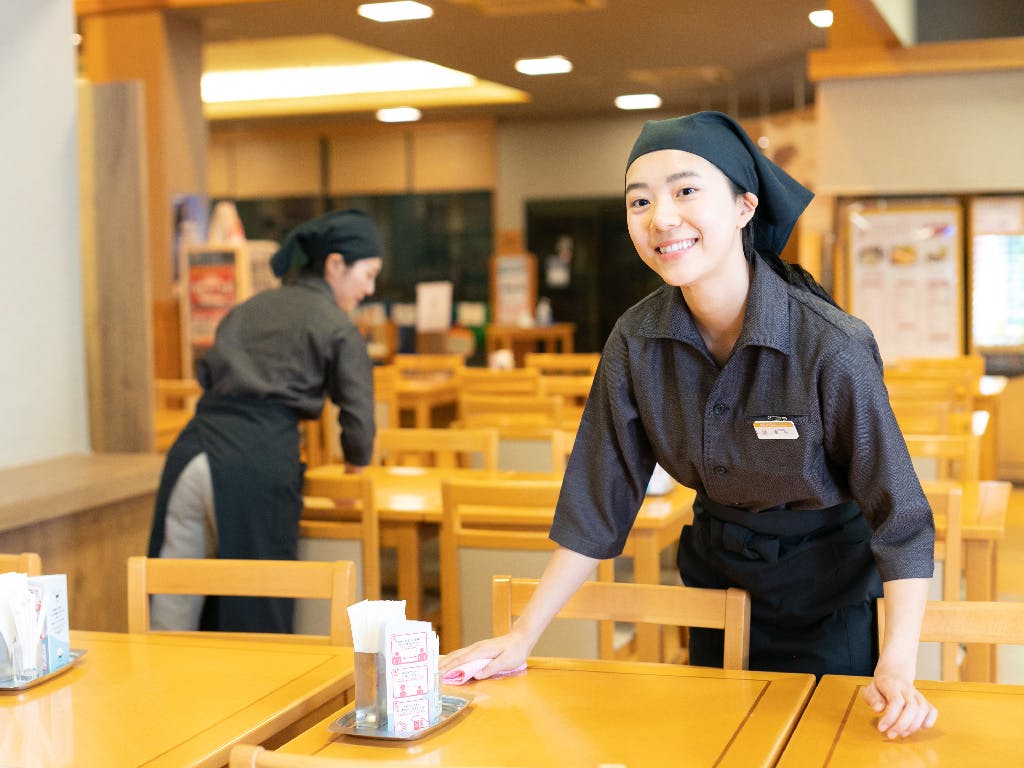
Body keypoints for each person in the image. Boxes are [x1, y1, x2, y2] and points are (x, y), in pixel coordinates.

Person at [440, 112, 938, 739]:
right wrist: (521, 635)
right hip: (712, 588)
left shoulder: (830, 345)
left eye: (685, 191)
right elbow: (599, 498)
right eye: (640, 201)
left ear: (743, 207)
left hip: (828, 599)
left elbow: (902, 517)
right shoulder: (636, 340)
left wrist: (896, 663)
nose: (661, 218)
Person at [146, 208, 383, 634]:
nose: (370, 288)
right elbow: (358, 414)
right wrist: (354, 476)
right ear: (334, 265)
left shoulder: (249, 308)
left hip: (190, 454)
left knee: (174, 606)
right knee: (258, 619)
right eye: (367, 274)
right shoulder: (336, 326)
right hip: (253, 466)